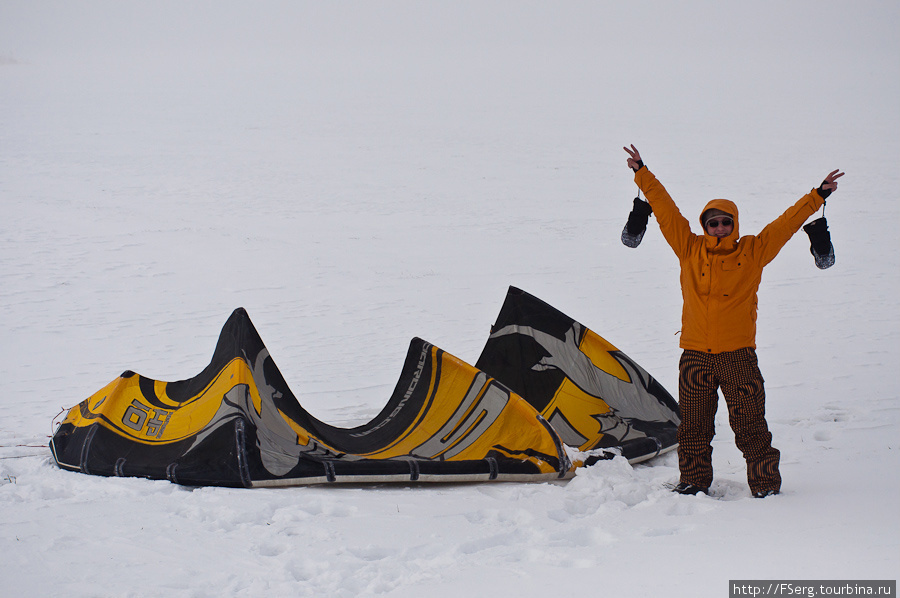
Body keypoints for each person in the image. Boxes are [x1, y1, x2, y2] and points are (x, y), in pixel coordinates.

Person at [623, 144, 843, 498]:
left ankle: (766, 487)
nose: (721, 227)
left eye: (726, 222)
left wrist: (816, 196)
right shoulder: (689, 249)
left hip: (738, 355)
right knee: (693, 428)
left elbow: (786, 224)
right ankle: (693, 483)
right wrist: (642, 173)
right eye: (714, 223)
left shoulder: (753, 251)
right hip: (695, 354)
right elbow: (665, 211)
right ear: (705, 226)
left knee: (751, 425)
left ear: (735, 224)